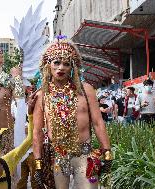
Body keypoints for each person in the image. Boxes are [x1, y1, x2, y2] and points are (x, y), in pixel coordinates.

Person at [32, 38, 112, 189]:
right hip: (57, 157)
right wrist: (38, 163)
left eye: (66, 64)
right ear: (49, 65)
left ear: (72, 67)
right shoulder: (42, 95)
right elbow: (37, 132)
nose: (61, 68)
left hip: (84, 154)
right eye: (56, 62)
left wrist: (107, 151)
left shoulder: (85, 89)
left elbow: (98, 122)